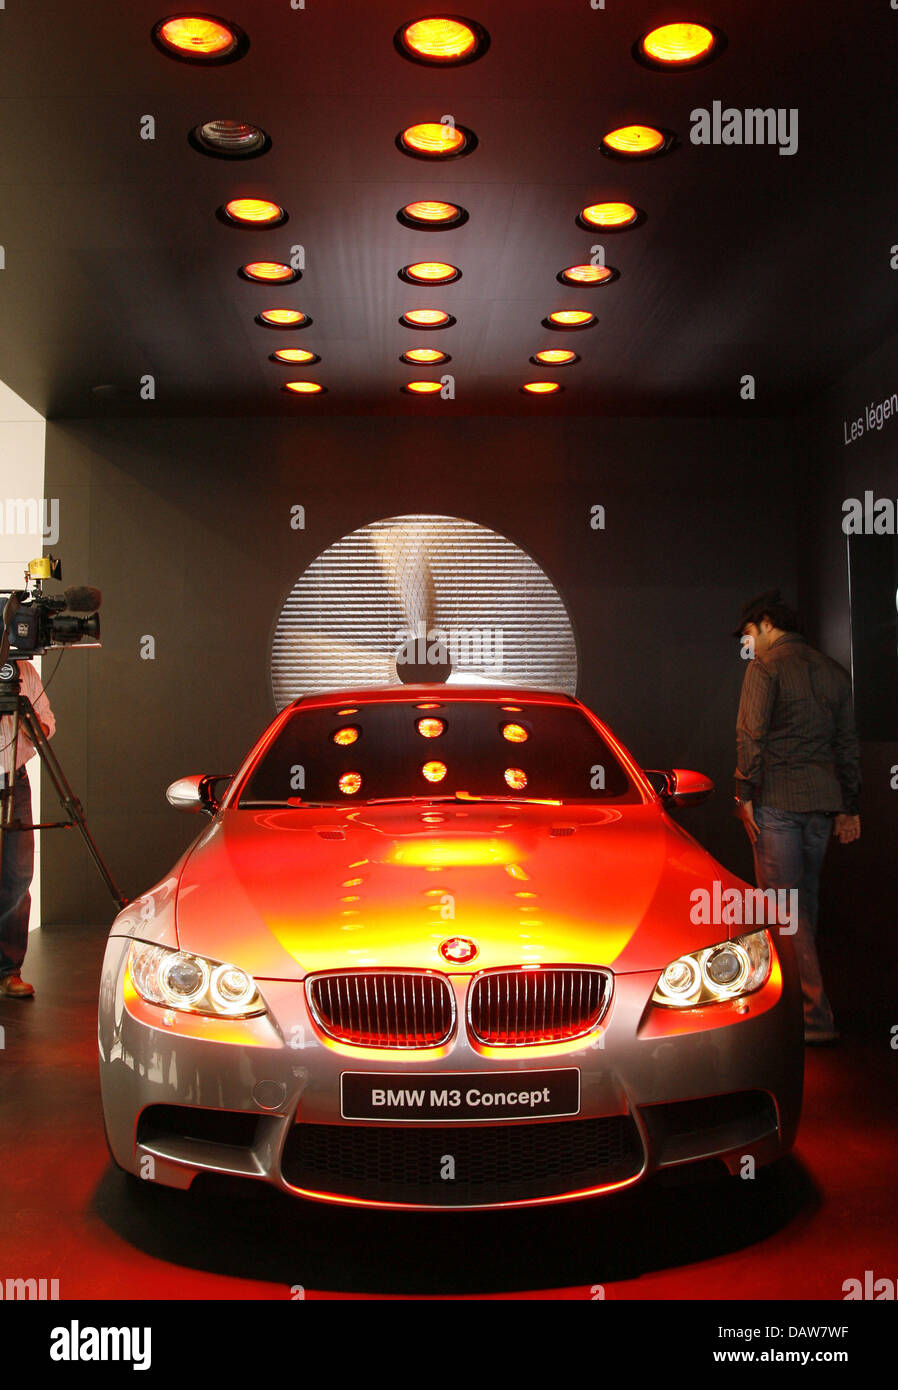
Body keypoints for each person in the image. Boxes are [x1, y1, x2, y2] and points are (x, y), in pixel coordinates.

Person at [732, 590, 860, 1044]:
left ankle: (810, 1017)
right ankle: (808, 1011)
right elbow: (846, 746)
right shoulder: (833, 671)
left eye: (749, 633)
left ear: (766, 623)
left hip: (778, 803)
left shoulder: (764, 667)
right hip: (822, 805)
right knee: (803, 907)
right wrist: (849, 805)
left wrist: (743, 793)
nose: (749, 644)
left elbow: (750, 735)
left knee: (783, 911)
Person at [0, 658, 55, 998]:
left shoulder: (23, 672)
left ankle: (8, 970)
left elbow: (47, 723)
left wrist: (26, 721)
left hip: (15, 781)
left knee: (17, 878)